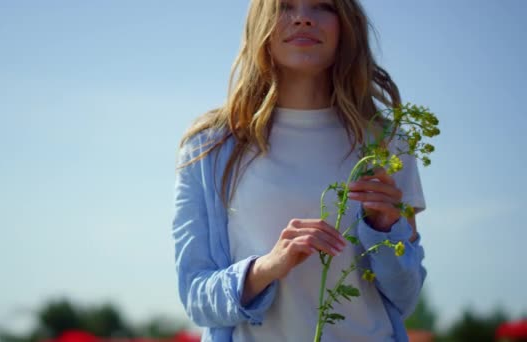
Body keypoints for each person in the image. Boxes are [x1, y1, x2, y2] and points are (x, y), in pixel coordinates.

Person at [171, 0, 427, 341]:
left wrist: (385, 231)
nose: (303, 19)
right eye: (285, 6)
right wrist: (266, 267)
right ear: (260, 23)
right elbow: (196, 297)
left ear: (346, 25)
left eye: (322, 6)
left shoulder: (387, 143)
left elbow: (405, 298)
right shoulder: (210, 147)